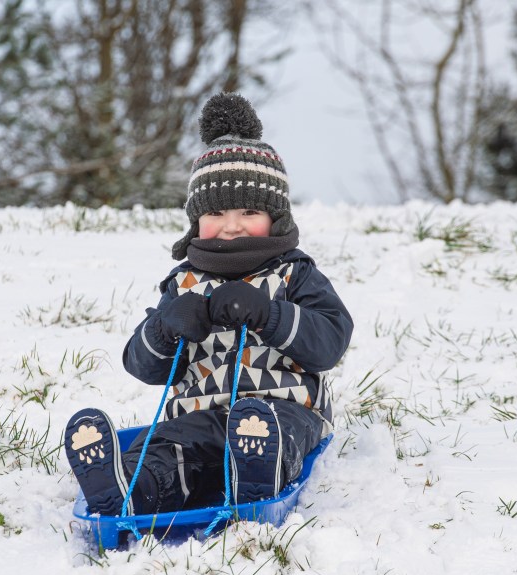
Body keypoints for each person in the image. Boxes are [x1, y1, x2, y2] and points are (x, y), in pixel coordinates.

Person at [64, 93, 353, 516]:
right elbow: (141, 364)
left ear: (277, 218)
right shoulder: (183, 283)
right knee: (166, 448)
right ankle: (130, 487)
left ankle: (258, 472)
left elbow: (330, 340)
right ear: (196, 219)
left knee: (275, 433)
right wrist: (166, 326)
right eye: (216, 213)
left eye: (250, 210)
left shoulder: (293, 274)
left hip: (283, 411)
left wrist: (269, 314)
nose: (232, 226)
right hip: (196, 417)